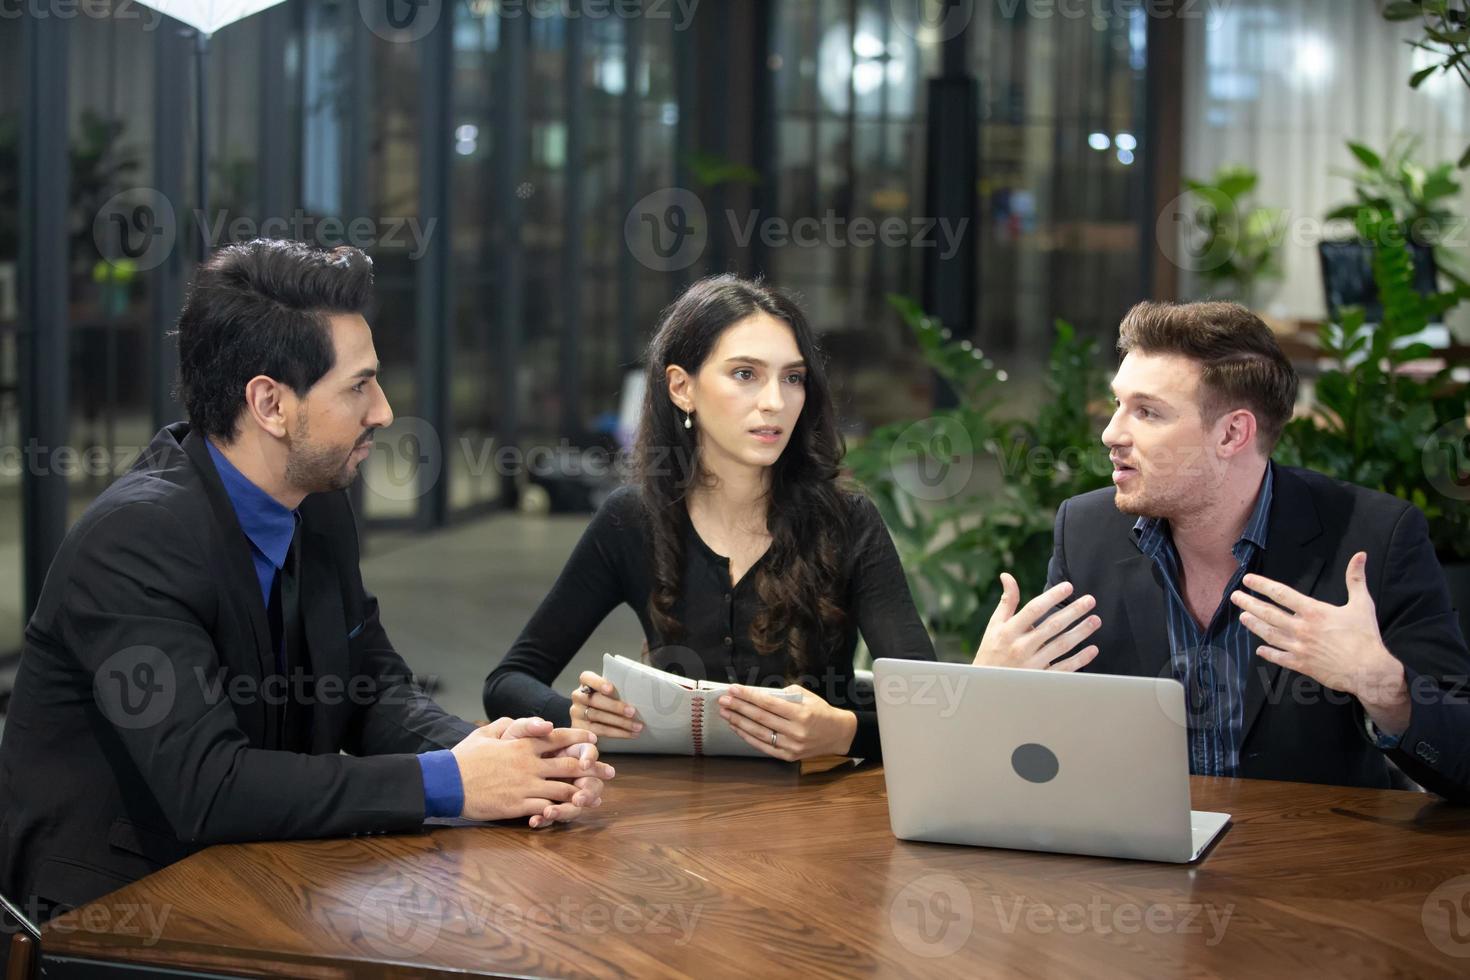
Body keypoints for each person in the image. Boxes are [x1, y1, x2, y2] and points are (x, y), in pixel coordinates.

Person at [0, 240, 615, 918]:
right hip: (117, 913)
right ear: (270, 404)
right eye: (358, 385)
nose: (382, 410)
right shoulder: (132, 544)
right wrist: (454, 782)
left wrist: (488, 754)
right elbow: (208, 785)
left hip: (263, 876)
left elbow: (371, 689)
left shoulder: (316, 506)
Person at [974, 300, 1469, 800]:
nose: (1112, 433)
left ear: (1233, 432)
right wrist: (992, 695)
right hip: (1134, 863)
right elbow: (1042, 757)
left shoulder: (1373, 538)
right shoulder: (1084, 532)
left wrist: (1383, 685)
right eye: (1118, 405)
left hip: (1308, 864)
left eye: (1147, 412)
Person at [483, 275, 936, 761]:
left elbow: (927, 706)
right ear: (682, 387)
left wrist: (846, 733)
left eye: (793, 377)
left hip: (817, 812)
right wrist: (572, 716)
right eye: (745, 374)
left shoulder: (848, 521)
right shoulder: (631, 520)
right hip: (672, 814)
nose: (775, 402)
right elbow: (507, 682)